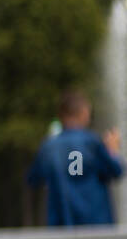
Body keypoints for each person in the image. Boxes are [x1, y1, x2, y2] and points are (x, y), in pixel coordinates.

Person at [26, 90, 123, 226]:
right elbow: (117, 170)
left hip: (62, 225)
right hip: (96, 225)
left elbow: (33, 179)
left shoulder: (48, 146)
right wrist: (112, 150)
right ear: (83, 112)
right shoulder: (92, 142)